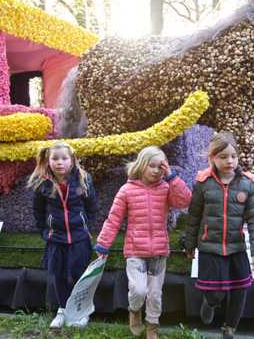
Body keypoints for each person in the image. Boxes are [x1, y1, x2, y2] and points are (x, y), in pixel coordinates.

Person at [94, 146, 192, 339]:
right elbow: (113, 219)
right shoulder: (127, 190)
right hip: (135, 250)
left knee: (155, 293)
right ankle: (135, 310)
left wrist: (172, 177)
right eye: (152, 166)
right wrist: (103, 243)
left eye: (160, 167)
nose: (156, 171)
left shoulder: (166, 188)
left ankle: (152, 327)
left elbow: (185, 200)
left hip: (158, 251)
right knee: (138, 290)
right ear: (141, 165)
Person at [185, 132, 254, 339]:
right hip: (210, 248)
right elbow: (194, 216)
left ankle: (229, 331)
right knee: (216, 292)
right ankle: (209, 302)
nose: (229, 161)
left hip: (236, 248)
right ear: (212, 158)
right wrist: (191, 244)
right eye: (223, 157)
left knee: (240, 292)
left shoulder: (247, 184)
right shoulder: (202, 183)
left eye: (233, 156)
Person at [28, 142, 98, 328]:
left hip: (79, 239)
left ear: (72, 160)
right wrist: (45, 232)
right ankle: (63, 310)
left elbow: (91, 207)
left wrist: (85, 226)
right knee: (59, 276)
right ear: (48, 161)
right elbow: (38, 213)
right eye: (55, 159)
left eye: (64, 158)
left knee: (79, 276)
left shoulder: (83, 179)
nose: (60, 162)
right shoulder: (41, 183)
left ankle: (82, 311)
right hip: (56, 239)